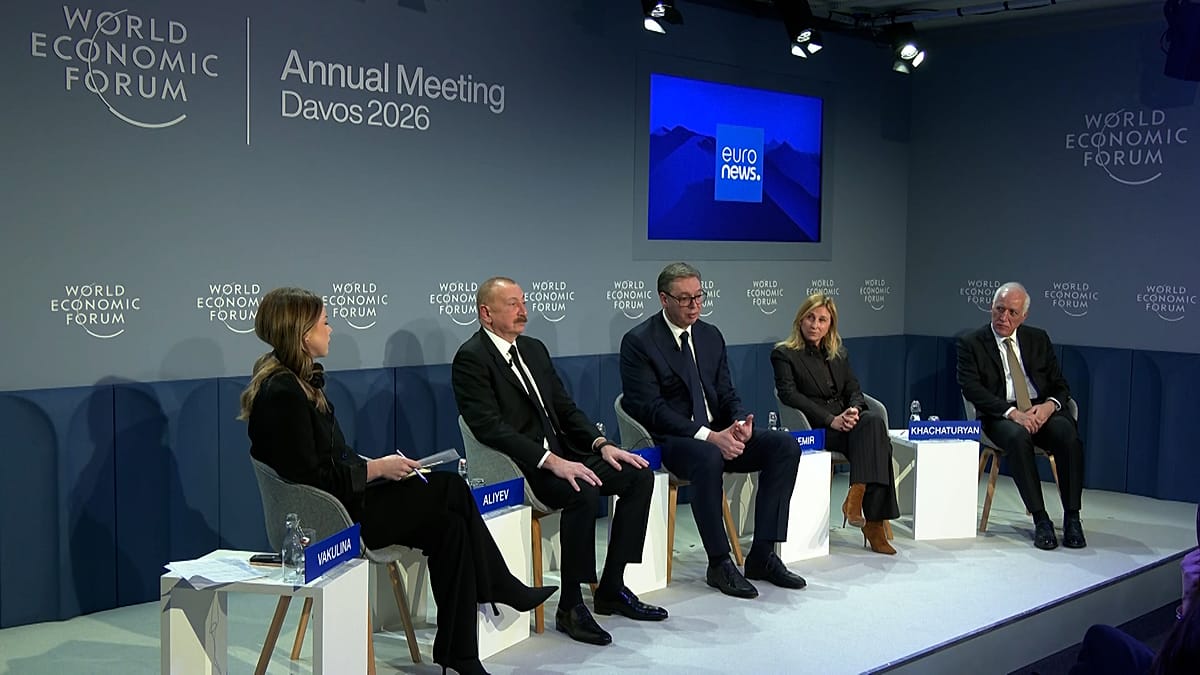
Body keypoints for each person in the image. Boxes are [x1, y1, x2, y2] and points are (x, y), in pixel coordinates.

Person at [242, 287, 554, 675]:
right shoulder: (283, 393)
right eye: (324, 322)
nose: (331, 329)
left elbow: (330, 459)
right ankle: (499, 585)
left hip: (346, 498)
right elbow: (312, 476)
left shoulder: (296, 382)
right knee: (451, 488)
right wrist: (376, 470)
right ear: (302, 332)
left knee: (451, 527)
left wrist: (382, 466)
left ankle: (460, 653)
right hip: (333, 519)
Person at [452, 277, 666, 648]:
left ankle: (612, 587)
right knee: (581, 490)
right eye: (513, 304)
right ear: (486, 314)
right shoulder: (471, 359)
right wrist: (549, 460)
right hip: (524, 466)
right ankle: (571, 605)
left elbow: (565, 408)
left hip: (566, 452)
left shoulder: (533, 349)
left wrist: (601, 444)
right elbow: (489, 428)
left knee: (637, 475)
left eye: (524, 302)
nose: (523, 311)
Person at [619, 262, 806, 599]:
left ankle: (763, 554)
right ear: (664, 299)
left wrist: (739, 423)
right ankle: (719, 562)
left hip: (719, 433)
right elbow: (652, 410)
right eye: (684, 299)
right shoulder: (639, 342)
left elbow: (726, 392)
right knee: (708, 456)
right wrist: (710, 437)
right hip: (672, 441)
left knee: (784, 446)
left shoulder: (710, 335)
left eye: (699, 297)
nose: (694, 306)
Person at [957, 281, 1086, 550]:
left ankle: (1073, 517)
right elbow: (971, 388)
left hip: (1039, 410)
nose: (1003, 317)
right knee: (1017, 438)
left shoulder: (1038, 339)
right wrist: (1012, 413)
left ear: (1023, 316)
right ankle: (1041, 520)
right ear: (991, 308)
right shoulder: (972, 343)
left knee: (1067, 433)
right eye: (999, 309)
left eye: (1012, 312)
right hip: (999, 414)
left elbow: (1060, 385)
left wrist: (1049, 407)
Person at [770, 293, 900, 554]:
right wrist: (831, 420)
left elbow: (854, 389)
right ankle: (873, 523)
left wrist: (853, 410)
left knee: (873, 422)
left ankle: (857, 495)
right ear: (800, 319)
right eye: (810, 318)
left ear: (830, 325)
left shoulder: (838, 353)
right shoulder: (784, 354)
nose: (815, 325)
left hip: (847, 422)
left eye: (822, 320)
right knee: (879, 443)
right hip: (816, 427)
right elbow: (789, 395)